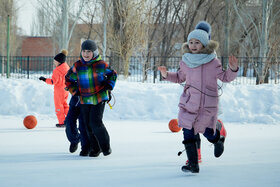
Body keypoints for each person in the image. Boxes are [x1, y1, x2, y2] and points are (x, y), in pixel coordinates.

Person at [158, 21, 238, 173]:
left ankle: (218, 138)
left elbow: (225, 77)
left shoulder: (213, 62)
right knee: (188, 131)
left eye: (197, 42)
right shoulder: (186, 62)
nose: (193, 45)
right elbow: (180, 77)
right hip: (189, 103)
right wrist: (166, 75)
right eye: (191, 42)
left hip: (207, 105)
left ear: (204, 44)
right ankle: (193, 165)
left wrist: (232, 70)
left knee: (207, 132)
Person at [65, 39, 117, 157]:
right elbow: (68, 79)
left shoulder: (101, 65)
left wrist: (109, 85)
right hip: (85, 99)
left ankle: (106, 147)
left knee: (95, 122)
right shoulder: (77, 66)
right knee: (87, 125)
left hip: (99, 97)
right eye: (84, 51)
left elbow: (113, 74)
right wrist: (75, 91)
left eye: (89, 51)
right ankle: (95, 149)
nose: (86, 54)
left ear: (94, 52)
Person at [39, 49, 70, 127]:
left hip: (59, 91)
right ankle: (70, 119)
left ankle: (62, 122)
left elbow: (53, 81)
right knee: (65, 105)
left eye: (55, 61)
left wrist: (44, 79)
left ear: (59, 61)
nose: (54, 62)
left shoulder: (57, 70)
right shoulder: (67, 68)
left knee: (59, 106)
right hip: (66, 90)